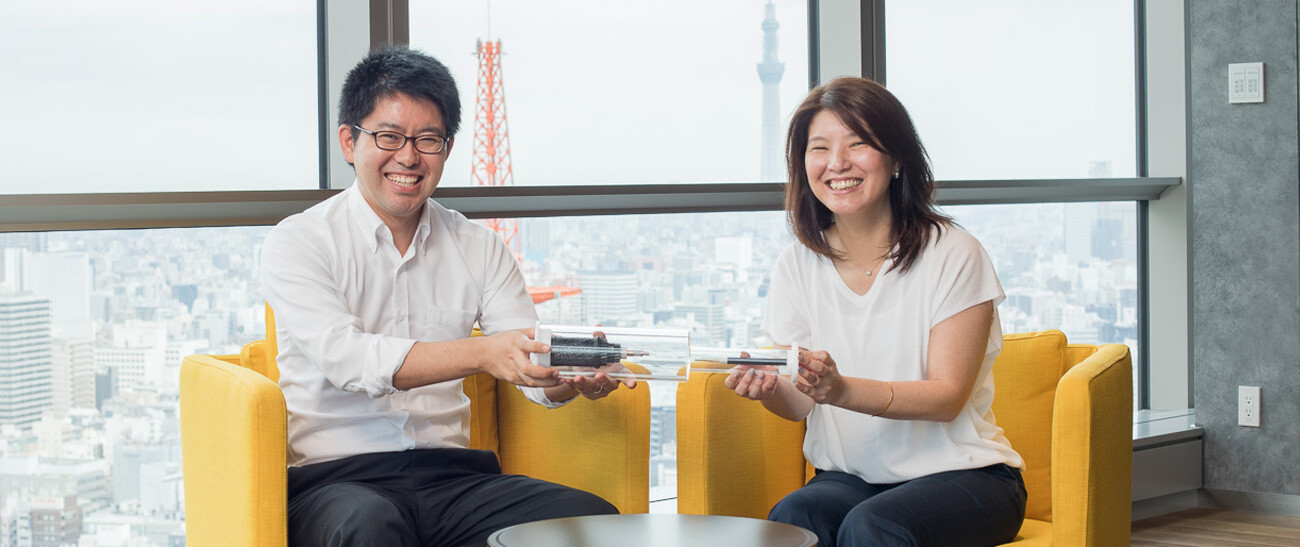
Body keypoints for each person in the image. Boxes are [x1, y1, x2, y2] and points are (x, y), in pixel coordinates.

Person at [260, 46, 630, 547]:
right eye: (389, 137)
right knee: (366, 526)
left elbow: (528, 366)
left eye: (427, 140)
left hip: (453, 480)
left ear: (448, 148)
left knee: (593, 521)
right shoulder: (299, 240)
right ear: (349, 141)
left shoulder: (478, 246)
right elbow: (348, 360)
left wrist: (571, 377)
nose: (408, 157)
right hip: (336, 482)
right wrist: (483, 352)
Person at [725, 77, 1027, 547]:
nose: (837, 163)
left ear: (898, 157)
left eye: (858, 144)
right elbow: (801, 401)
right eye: (819, 148)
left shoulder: (954, 253)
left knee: (874, 527)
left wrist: (841, 389)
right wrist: (767, 389)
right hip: (851, 477)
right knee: (792, 517)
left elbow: (947, 397)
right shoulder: (798, 263)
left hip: (967, 476)